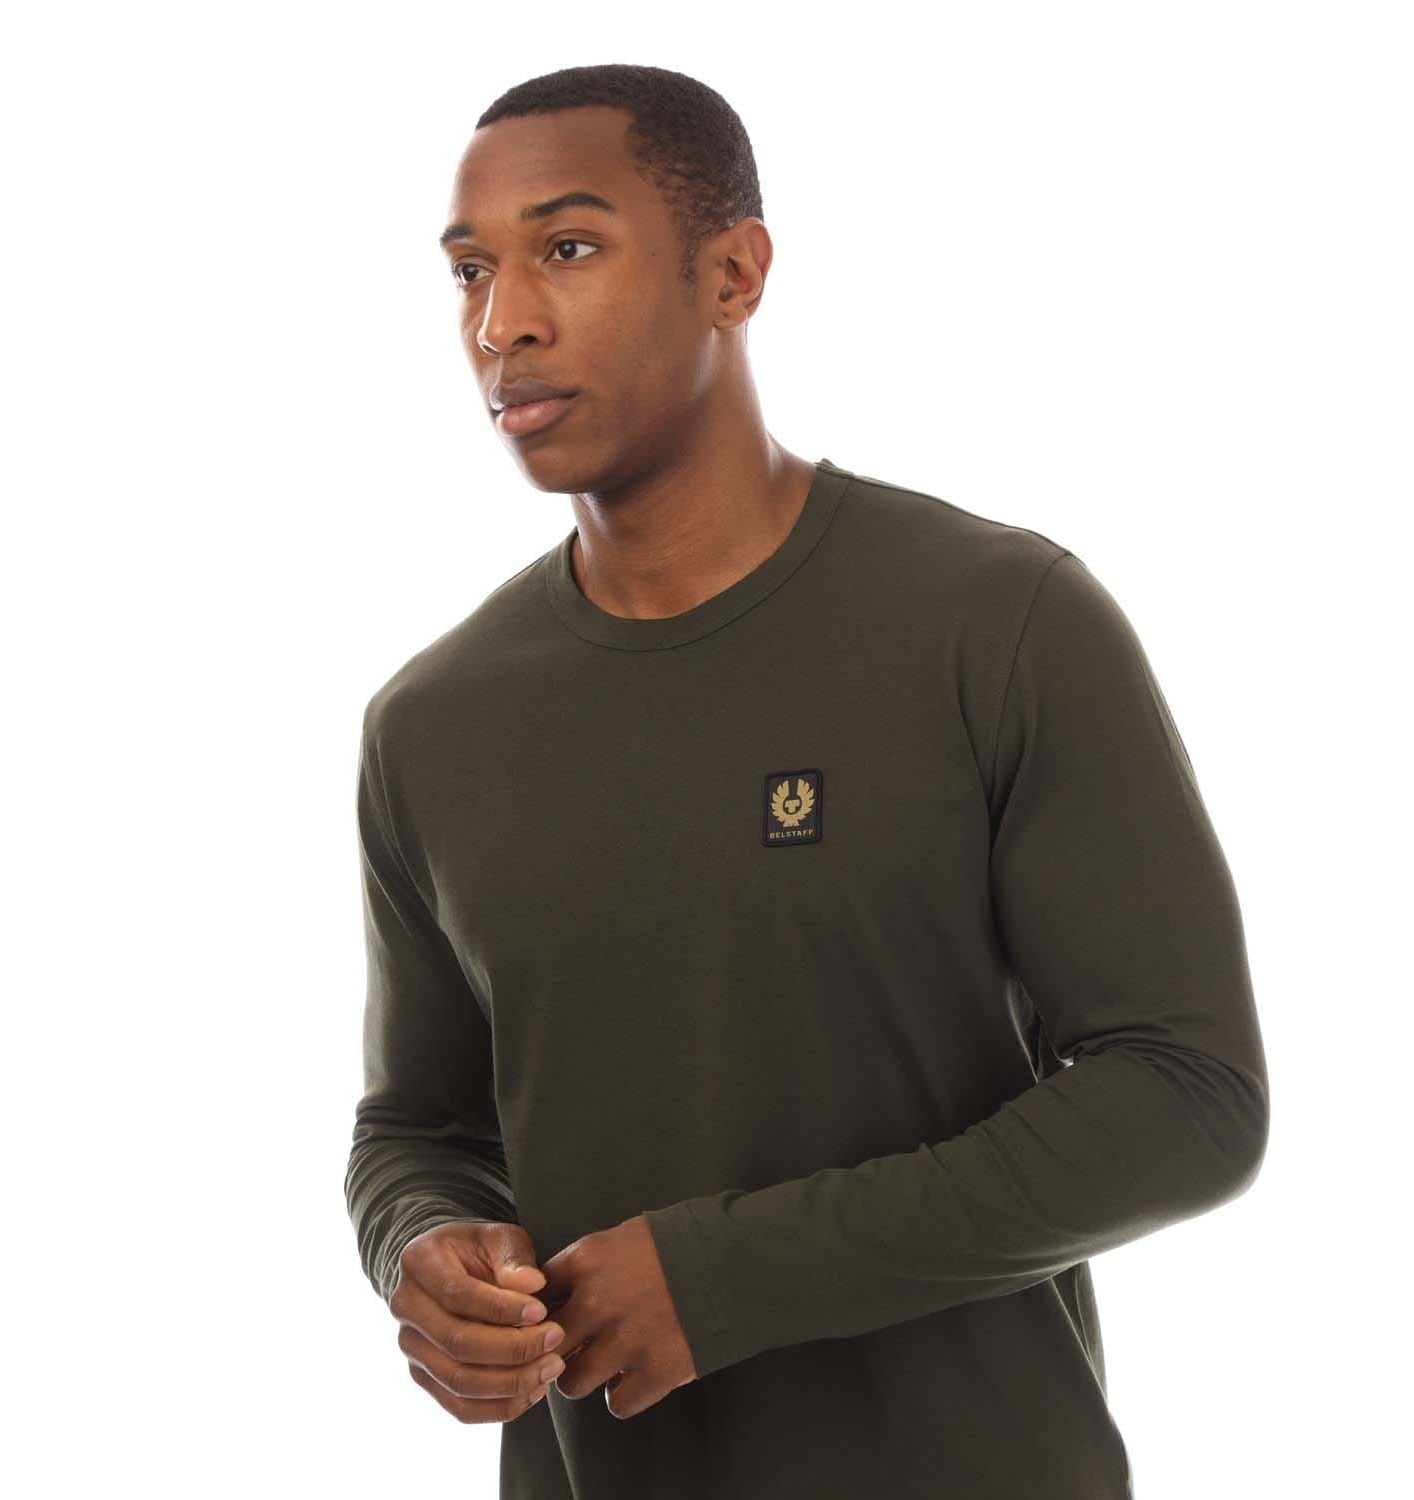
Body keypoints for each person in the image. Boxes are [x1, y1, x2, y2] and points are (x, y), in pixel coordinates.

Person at [343, 62, 1270, 1500]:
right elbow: (420, 1128)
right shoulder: (432, 725)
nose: (499, 322)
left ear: (734, 272)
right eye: (470, 269)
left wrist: (725, 1276)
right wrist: (424, 1243)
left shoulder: (996, 623)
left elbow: (1187, 1095)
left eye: (567, 248)